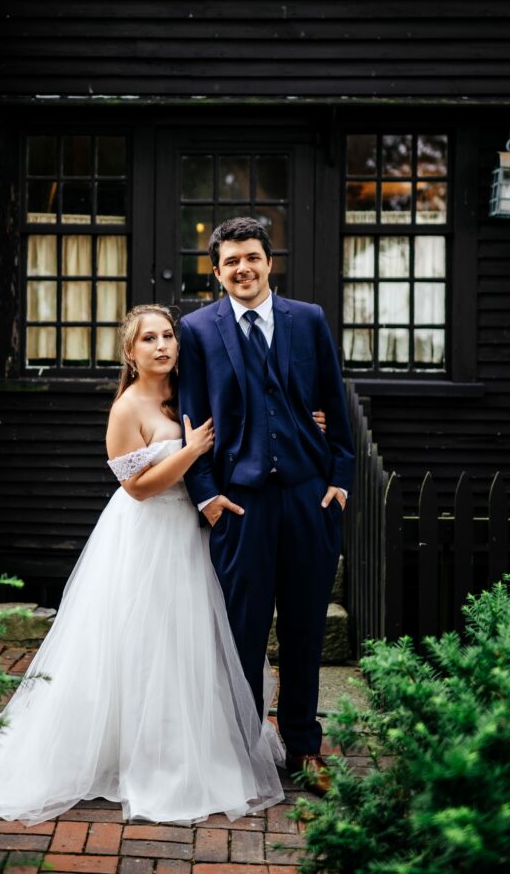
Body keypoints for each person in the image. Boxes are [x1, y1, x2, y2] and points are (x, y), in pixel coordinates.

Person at [0, 304, 286, 827]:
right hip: (147, 533)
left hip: (190, 536)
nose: (162, 346)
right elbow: (135, 488)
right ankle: (137, 753)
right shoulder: (127, 408)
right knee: (141, 641)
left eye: (168, 336)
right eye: (149, 339)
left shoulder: (188, 392)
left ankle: (185, 744)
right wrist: (191, 449)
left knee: (187, 642)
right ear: (130, 353)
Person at [178, 217, 355, 796]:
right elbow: (192, 419)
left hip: (309, 497)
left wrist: (341, 480)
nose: (242, 269)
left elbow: (334, 400)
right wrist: (205, 495)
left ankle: (304, 747)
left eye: (251, 257)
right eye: (230, 262)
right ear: (217, 270)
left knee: (305, 633)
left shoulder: (308, 320)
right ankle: (239, 754)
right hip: (240, 505)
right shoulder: (197, 329)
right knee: (242, 636)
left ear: (268, 262)